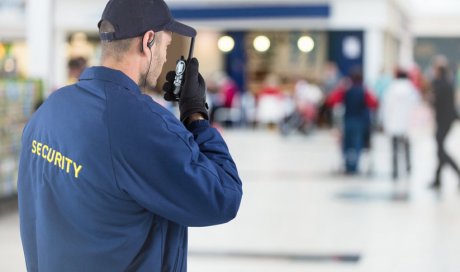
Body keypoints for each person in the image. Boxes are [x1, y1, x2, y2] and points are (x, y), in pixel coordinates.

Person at [17, 0, 243, 271]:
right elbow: (223, 197)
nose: (163, 59)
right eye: (166, 46)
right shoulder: (143, 123)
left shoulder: (49, 110)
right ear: (148, 42)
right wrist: (195, 115)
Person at [326, 67, 378, 174]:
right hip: (361, 122)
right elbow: (374, 103)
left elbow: (331, 101)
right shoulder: (364, 91)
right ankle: (355, 165)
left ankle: (348, 164)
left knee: (347, 144)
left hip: (348, 120)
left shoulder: (345, 90)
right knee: (357, 144)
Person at [381, 68, 420, 179]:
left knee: (394, 148)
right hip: (407, 123)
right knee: (407, 147)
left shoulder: (391, 89)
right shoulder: (411, 89)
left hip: (393, 122)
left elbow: (386, 107)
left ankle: (395, 170)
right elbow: (416, 105)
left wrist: (384, 121)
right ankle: (408, 168)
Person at [429, 56, 460, 189]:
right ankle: (437, 179)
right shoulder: (446, 82)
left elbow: (436, 102)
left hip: (444, 121)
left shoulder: (440, 83)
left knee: (441, 150)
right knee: (439, 149)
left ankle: (457, 173)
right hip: (446, 120)